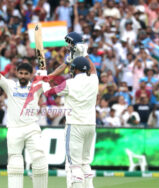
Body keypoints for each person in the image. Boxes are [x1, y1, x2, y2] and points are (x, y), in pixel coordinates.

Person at [0, 42, 48, 188]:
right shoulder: (10, 85)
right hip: (14, 129)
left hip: (31, 128)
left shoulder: (37, 87)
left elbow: (47, 75)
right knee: (15, 165)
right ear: (17, 73)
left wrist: (44, 69)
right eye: (21, 73)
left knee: (40, 160)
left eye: (26, 74)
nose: (23, 76)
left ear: (30, 75)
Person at [45, 32, 98, 188]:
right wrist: (84, 54)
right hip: (91, 126)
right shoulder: (94, 80)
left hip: (74, 126)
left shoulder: (69, 84)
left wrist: (43, 78)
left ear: (74, 69)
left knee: (74, 165)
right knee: (85, 163)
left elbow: (49, 92)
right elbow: (92, 68)